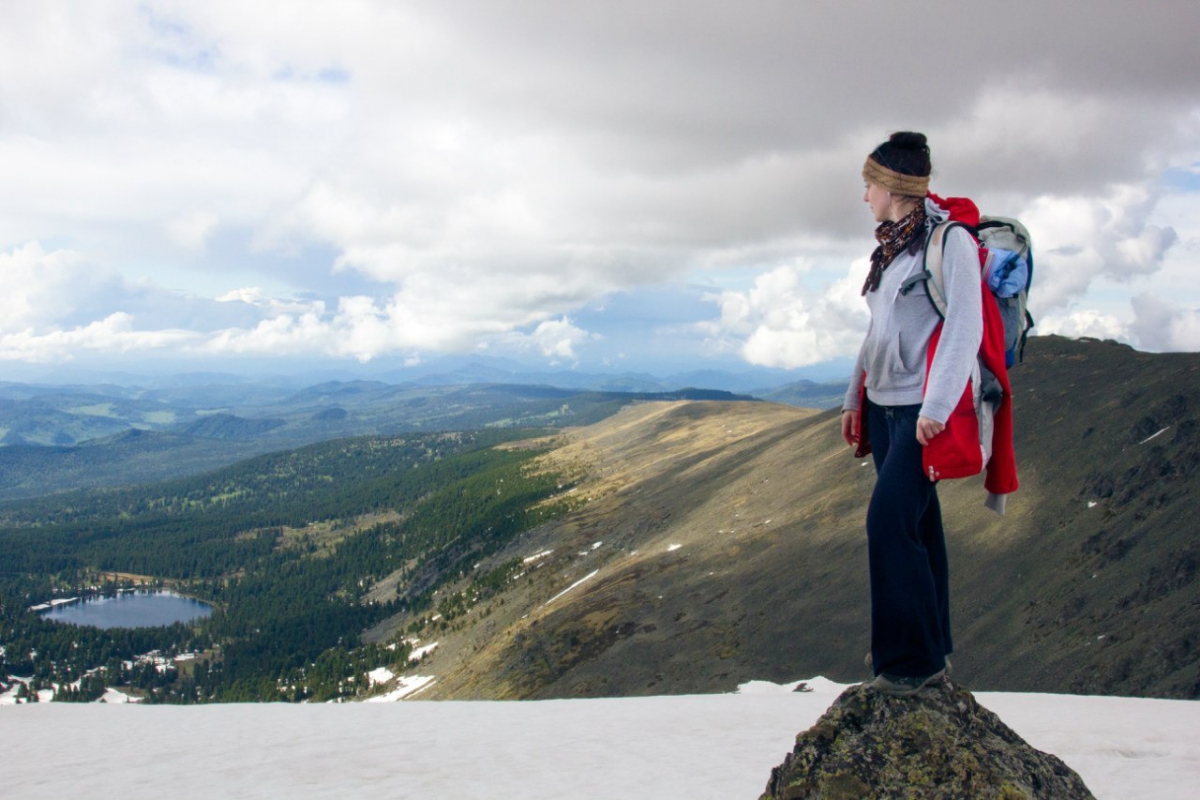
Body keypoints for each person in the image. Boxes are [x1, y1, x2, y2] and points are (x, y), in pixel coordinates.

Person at [840, 131, 982, 696]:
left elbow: (965, 326)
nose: (864, 195)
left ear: (893, 188)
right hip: (885, 409)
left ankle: (906, 667)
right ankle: (933, 654)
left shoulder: (950, 245)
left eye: (868, 184)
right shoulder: (891, 249)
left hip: (923, 412)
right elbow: (878, 330)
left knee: (889, 523)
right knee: (920, 526)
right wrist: (855, 396)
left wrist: (940, 405)